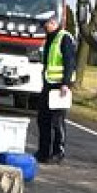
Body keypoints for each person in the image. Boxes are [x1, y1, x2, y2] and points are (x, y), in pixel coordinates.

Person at [36, 11, 76, 163]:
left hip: (60, 87)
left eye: (45, 25)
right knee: (43, 119)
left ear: (53, 22)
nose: (44, 28)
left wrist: (65, 83)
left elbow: (69, 62)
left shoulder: (64, 38)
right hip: (48, 85)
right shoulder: (51, 39)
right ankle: (43, 152)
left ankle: (58, 152)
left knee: (57, 121)